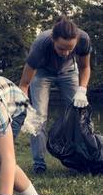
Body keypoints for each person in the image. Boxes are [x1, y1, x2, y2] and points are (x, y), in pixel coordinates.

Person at [19, 16, 92, 174]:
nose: (65, 53)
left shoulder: (84, 39)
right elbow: (24, 83)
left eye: (70, 49)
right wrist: (24, 107)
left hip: (69, 72)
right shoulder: (41, 45)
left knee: (79, 114)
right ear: (53, 39)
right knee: (39, 116)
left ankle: (82, 159)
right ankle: (39, 163)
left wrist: (82, 90)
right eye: (61, 48)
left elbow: (85, 67)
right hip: (42, 73)